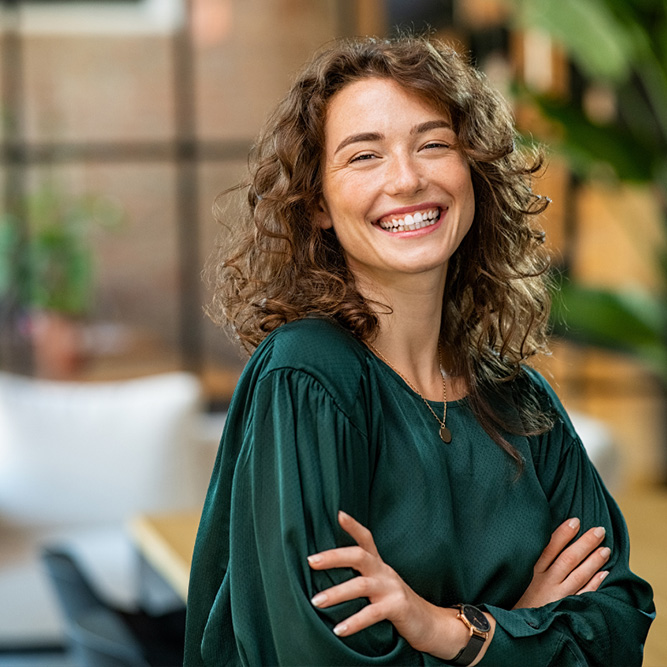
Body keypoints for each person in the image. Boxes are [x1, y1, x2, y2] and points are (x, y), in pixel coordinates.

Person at [184, 35, 654, 666]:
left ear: (473, 172)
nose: (407, 179)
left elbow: (618, 627)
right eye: (363, 157)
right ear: (317, 203)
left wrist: (448, 629)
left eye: (433, 144)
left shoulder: (520, 400)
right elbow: (317, 656)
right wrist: (522, 627)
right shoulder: (308, 376)